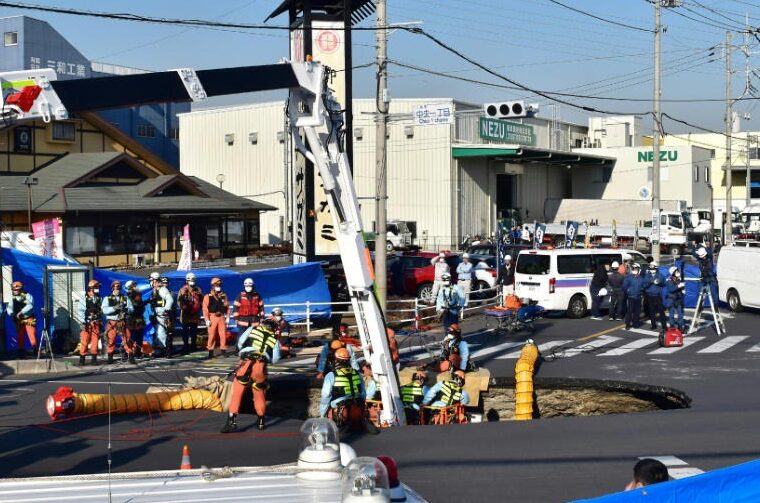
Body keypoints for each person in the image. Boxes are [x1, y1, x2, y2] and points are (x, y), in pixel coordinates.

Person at [221, 318, 281, 433]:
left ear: (263, 324)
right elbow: (276, 358)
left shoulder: (252, 329)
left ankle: (231, 422)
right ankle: (261, 422)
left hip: (246, 363)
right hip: (261, 367)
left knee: (237, 393)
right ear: (274, 328)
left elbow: (240, 342)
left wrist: (242, 352)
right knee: (259, 394)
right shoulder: (275, 340)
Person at [319, 348, 373, 432]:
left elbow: (326, 395)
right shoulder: (357, 373)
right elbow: (363, 393)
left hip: (341, 410)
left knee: (328, 408)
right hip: (358, 407)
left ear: (336, 360)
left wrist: (322, 414)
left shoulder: (331, 375)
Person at [101, 280, 134, 364]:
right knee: (111, 339)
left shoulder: (125, 298)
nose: (117, 290)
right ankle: (110, 356)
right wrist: (114, 308)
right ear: (112, 289)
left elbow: (131, 309)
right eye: (115, 288)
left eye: (118, 288)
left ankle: (130, 355)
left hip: (122, 322)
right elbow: (104, 310)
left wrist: (126, 309)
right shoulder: (107, 298)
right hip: (112, 322)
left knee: (127, 338)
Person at [5, 281, 36, 358]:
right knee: (20, 336)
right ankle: (21, 352)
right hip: (19, 320)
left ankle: (35, 351)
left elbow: (30, 306)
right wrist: (12, 315)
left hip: (29, 318)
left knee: (32, 335)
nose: (14, 291)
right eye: (13, 290)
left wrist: (21, 312)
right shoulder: (12, 298)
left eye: (16, 289)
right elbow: (9, 308)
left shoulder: (28, 296)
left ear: (21, 289)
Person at [149, 272, 174, 357]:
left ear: (155, 280)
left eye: (152, 280)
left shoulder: (162, 289)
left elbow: (170, 299)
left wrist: (166, 310)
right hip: (158, 316)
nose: (151, 282)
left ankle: (165, 350)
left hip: (163, 316)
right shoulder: (155, 290)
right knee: (159, 333)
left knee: (162, 333)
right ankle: (162, 349)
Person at [203, 277, 229, 359]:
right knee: (212, 335)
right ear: (213, 286)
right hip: (212, 317)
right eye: (217, 284)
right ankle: (210, 351)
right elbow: (205, 308)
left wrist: (227, 317)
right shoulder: (208, 296)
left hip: (221, 317)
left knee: (223, 334)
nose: (218, 286)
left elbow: (227, 307)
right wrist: (207, 319)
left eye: (219, 284)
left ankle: (223, 350)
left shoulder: (224, 295)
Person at [177, 273, 203, 355]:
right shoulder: (182, 290)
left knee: (194, 332)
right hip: (185, 315)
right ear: (187, 281)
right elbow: (179, 301)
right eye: (190, 280)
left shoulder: (198, 290)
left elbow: (202, 300)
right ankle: (185, 346)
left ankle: (193, 346)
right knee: (185, 332)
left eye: (193, 280)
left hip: (195, 315)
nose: (192, 282)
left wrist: (200, 306)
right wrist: (183, 306)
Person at [78, 279, 102, 366]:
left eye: (98, 287)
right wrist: (82, 322)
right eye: (96, 287)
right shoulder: (84, 298)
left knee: (95, 340)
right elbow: (80, 311)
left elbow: (101, 310)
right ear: (91, 288)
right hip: (87, 322)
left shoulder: (99, 298)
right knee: (85, 340)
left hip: (96, 322)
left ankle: (94, 358)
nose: (98, 289)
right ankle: (82, 358)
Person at [124, 280, 146, 359]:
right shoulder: (130, 296)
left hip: (138, 317)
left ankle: (138, 352)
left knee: (139, 336)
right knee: (132, 336)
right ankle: (130, 352)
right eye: (133, 285)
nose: (135, 287)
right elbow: (134, 306)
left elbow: (140, 305)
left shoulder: (137, 294)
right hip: (132, 318)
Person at [643, 263, 667, 332]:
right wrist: (650, 282)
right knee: (651, 311)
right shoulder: (647, 276)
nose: (652, 270)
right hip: (649, 295)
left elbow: (664, 283)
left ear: (656, 269)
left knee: (661, 311)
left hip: (657, 295)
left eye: (653, 269)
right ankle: (653, 325)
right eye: (651, 269)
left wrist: (659, 282)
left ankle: (664, 326)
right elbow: (644, 285)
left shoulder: (660, 275)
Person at [622, 263, 645, 330]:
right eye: (633, 269)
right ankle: (627, 324)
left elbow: (643, 286)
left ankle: (635, 323)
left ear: (638, 270)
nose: (634, 270)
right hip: (631, 297)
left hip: (638, 296)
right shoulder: (629, 277)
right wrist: (628, 291)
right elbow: (624, 286)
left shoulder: (641, 278)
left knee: (637, 311)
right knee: (630, 311)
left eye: (636, 269)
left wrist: (642, 289)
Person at [665, 266, 686, 331]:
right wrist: (678, 286)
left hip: (678, 299)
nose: (678, 272)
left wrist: (683, 290)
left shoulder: (679, 280)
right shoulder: (669, 281)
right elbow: (671, 289)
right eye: (676, 271)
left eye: (678, 271)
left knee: (680, 314)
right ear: (673, 273)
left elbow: (680, 288)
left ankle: (680, 326)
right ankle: (672, 326)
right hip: (671, 299)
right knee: (671, 314)